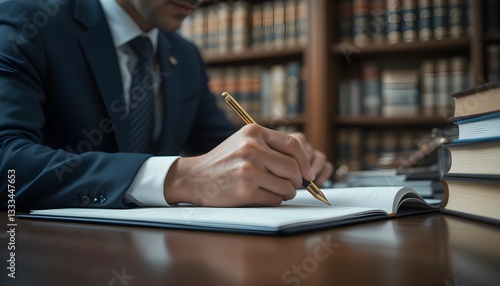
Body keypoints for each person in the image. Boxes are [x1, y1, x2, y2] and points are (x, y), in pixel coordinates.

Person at [0, 0, 333, 211]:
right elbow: (6, 161)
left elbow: (224, 147)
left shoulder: (185, 56)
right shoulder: (28, 20)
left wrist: (275, 157)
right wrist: (178, 178)